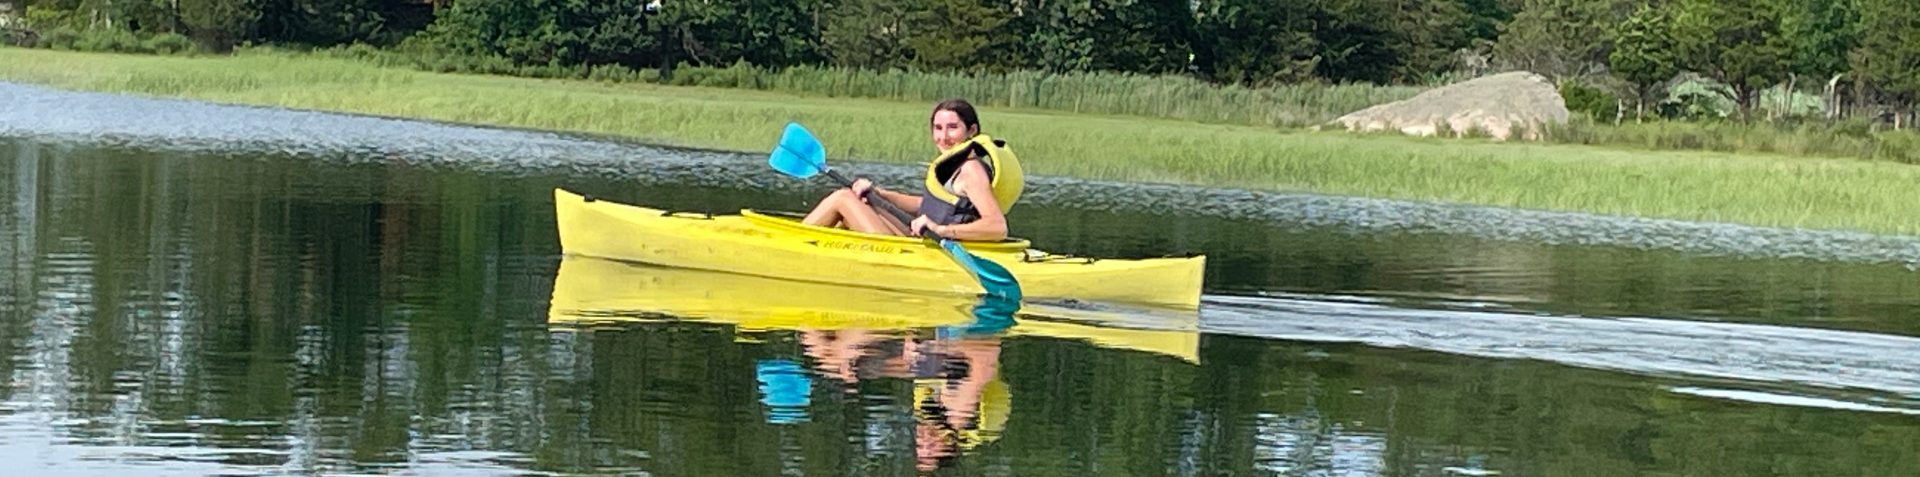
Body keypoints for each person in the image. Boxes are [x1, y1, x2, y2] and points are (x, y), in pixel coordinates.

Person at [800, 99, 1025, 241]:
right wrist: (879, 193)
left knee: (843, 199)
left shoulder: (971, 171)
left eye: (953, 128)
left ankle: (795, 244)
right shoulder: (953, 167)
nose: (943, 137)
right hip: (918, 239)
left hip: (928, 248)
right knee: (856, 201)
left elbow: (997, 227)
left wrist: (940, 230)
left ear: (972, 131)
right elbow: (926, 205)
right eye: (938, 128)